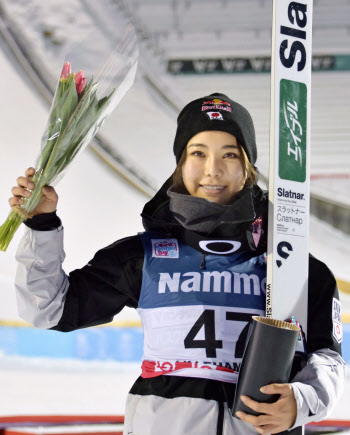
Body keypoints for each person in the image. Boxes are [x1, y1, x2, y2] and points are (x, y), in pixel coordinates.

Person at [12, 93, 345, 435]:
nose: (212, 170)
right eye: (197, 153)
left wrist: (302, 400)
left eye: (229, 154)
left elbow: (329, 360)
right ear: (181, 164)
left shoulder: (297, 270)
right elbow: (49, 308)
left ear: (248, 168)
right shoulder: (144, 256)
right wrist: (42, 224)